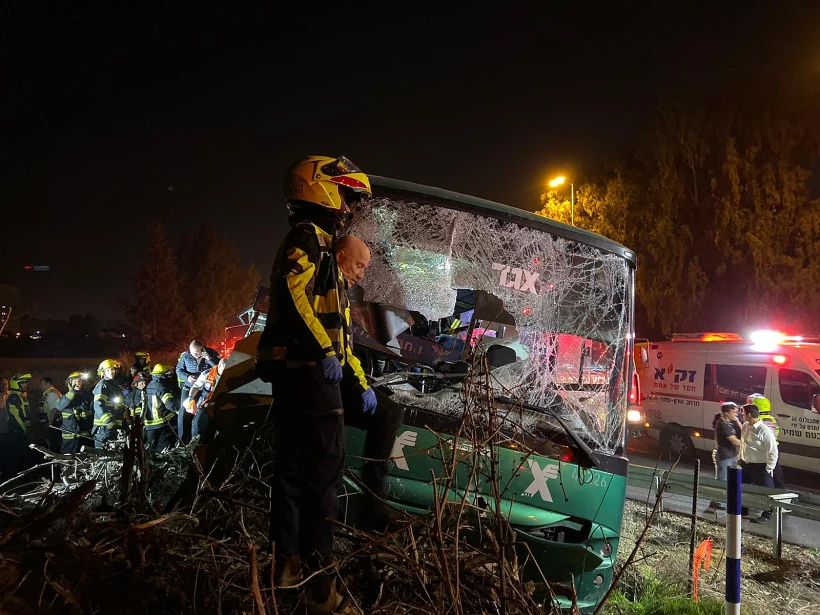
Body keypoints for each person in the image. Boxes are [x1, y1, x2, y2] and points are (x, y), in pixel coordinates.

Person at [256, 155, 374, 611]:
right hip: (309, 376)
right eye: (344, 195)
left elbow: (335, 328)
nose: (346, 206)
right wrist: (325, 352)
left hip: (298, 374)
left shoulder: (320, 245)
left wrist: (357, 377)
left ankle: (287, 567)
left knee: (289, 473)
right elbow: (293, 297)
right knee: (323, 477)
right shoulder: (308, 240)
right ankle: (321, 586)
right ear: (319, 188)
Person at [336, 234, 404, 528]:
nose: (362, 273)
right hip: (316, 381)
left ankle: (369, 507)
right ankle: (370, 512)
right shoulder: (325, 286)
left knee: (389, 411)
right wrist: (358, 385)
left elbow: (344, 348)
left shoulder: (340, 293)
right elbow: (330, 345)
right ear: (340, 257)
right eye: (359, 265)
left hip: (335, 375)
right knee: (388, 414)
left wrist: (363, 384)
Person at [740, 403, 779, 522]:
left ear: (749, 415)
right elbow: (743, 444)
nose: (742, 415)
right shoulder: (745, 425)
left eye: (743, 413)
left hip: (760, 466)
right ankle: (743, 508)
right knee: (742, 487)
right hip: (745, 463)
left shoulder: (764, 431)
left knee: (766, 490)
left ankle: (768, 513)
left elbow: (773, 451)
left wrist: (768, 468)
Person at [176, 341, 220, 443]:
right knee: (183, 410)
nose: (195, 355)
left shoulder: (211, 353)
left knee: (202, 411)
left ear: (202, 349)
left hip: (204, 388)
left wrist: (209, 359)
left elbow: (219, 367)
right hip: (189, 386)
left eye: (197, 353)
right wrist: (187, 377)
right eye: (192, 353)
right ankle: (181, 439)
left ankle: (201, 437)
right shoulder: (186, 356)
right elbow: (179, 370)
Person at [183, 358, 227, 441]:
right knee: (198, 424)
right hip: (206, 403)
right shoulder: (207, 374)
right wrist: (190, 398)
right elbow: (196, 387)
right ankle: (195, 445)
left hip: (221, 404)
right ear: (220, 366)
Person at [746, 393, 784, 488]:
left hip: (762, 452)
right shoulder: (772, 419)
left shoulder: (757, 422)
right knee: (776, 475)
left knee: (762, 477)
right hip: (774, 450)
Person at [0, 374, 33, 481]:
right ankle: (9, 478)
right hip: (11, 431)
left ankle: (15, 477)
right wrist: (23, 428)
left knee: (16, 455)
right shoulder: (13, 396)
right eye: (3, 384)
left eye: (6, 384)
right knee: (10, 456)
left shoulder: (15, 395)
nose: (26, 385)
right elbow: (15, 415)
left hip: (13, 431)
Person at [711, 402, 742, 511]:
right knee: (722, 479)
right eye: (734, 412)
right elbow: (733, 440)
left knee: (729, 478)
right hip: (725, 455)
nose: (736, 414)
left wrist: (737, 422)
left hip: (732, 454)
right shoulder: (722, 424)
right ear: (727, 413)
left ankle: (720, 499)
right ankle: (716, 501)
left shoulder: (731, 422)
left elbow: (743, 431)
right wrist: (748, 446)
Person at [144, 364, 180, 452]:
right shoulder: (161, 386)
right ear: (164, 375)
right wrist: (179, 410)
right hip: (161, 423)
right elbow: (170, 404)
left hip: (149, 424)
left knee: (150, 450)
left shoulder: (150, 385)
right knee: (163, 450)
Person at [56, 371, 94, 454]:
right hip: (70, 439)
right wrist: (71, 393)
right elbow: (59, 407)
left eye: (79, 381)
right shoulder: (66, 397)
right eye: (75, 381)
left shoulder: (88, 397)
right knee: (68, 463)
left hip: (85, 437)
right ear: (69, 383)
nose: (77, 384)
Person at [92, 359, 126, 446]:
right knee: (103, 456)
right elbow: (98, 405)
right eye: (107, 370)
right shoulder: (103, 385)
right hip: (104, 428)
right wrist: (108, 421)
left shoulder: (115, 386)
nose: (111, 372)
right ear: (103, 373)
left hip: (114, 427)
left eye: (112, 369)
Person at [40, 376, 63, 451]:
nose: (40, 386)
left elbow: (54, 410)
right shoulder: (52, 393)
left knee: (53, 444)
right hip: (54, 423)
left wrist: (50, 423)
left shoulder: (51, 394)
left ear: (48, 384)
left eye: (42, 384)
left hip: (54, 424)